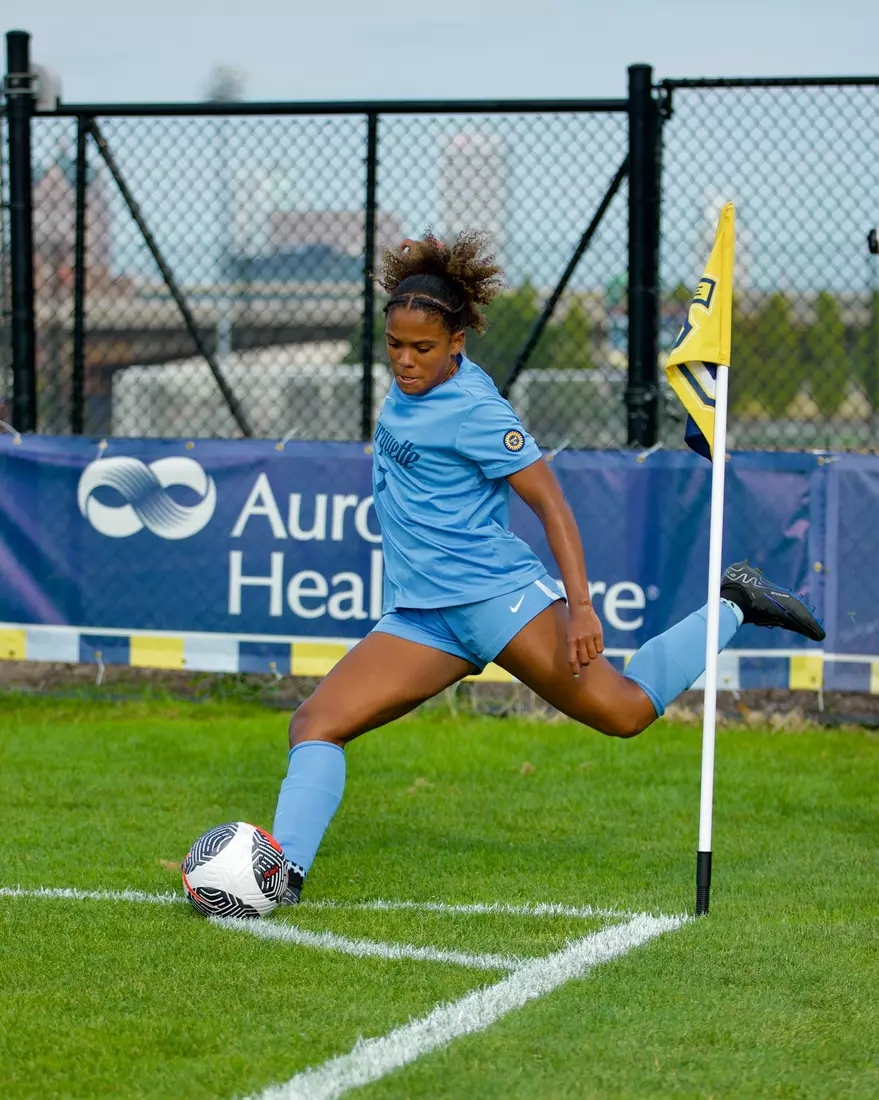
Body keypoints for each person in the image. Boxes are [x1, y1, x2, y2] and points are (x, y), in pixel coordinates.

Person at [271, 231, 824, 904]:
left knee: (622, 713)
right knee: (315, 723)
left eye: (422, 348)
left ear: (456, 345)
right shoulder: (403, 392)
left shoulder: (477, 411)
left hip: (496, 601)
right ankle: (282, 876)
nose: (405, 361)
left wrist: (581, 607)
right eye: (394, 345)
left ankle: (735, 599)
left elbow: (552, 505)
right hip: (420, 616)